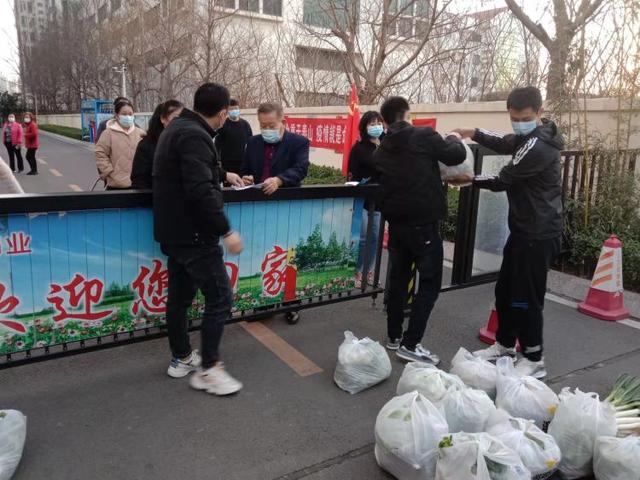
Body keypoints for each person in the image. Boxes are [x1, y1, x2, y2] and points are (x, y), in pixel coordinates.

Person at [453, 86, 563, 379]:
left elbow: (503, 179)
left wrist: (469, 179)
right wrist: (473, 132)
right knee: (506, 291)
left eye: (525, 118)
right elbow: (505, 142)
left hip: (538, 233)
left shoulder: (539, 146)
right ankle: (505, 345)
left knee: (525, 297)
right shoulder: (530, 136)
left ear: (539, 112)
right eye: (514, 118)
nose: (519, 123)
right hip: (524, 230)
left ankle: (534, 357)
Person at [153, 82, 245, 396]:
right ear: (222, 113)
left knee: (179, 298)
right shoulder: (195, 135)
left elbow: (191, 173)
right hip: (194, 235)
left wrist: (222, 174)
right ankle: (210, 369)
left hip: (174, 233)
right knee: (220, 298)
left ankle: (181, 358)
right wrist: (226, 230)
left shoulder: (176, 128)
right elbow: (200, 190)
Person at [375, 96, 466, 365]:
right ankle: (411, 344)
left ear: (385, 122)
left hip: (397, 225)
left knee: (398, 280)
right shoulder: (423, 136)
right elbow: (456, 155)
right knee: (429, 284)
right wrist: (454, 137)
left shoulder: (381, 150)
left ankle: (394, 336)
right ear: (407, 114)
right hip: (423, 225)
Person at [348, 110, 384, 287]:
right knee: (362, 237)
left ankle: (368, 270)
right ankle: (356, 270)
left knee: (375, 237)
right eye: (372, 124)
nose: (376, 127)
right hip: (361, 200)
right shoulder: (359, 149)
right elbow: (351, 175)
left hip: (379, 201)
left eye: (379, 123)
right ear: (364, 127)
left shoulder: (387, 145)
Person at [241, 102, 309, 195]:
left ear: (283, 123)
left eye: (272, 126)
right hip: (256, 198)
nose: (267, 129)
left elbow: (300, 169)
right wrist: (246, 178)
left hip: (286, 198)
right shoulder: (252, 142)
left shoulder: (299, 142)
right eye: (263, 126)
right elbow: (244, 169)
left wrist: (278, 180)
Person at [130, 99, 183, 189]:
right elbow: (139, 181)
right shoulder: (146, 145)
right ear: (163, 119)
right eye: (176, 118)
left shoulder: (186, 142)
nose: (181, 122)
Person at [95, 99, 144, 190]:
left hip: (137, 183)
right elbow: (100, 153)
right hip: (116, 184)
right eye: (124, 114)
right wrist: (108, 172)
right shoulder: (108, 133)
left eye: (130, 114)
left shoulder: (139, 132)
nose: (128, 117)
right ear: (117, 115)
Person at [215, 98, 253, 174]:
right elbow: (217, 145)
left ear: (239, 109)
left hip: (243, 163)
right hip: (227, 164)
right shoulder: (223, 125)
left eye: (236, 108)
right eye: (231, 109)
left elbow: (251, 142)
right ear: (227, 111)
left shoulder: (245, 124)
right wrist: (218, 160)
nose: (234, 111)